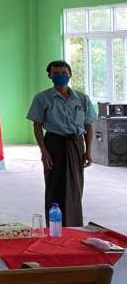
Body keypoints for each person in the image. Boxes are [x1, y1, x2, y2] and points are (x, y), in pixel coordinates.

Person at [26, 60, 95, 227]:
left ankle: (74, 225)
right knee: (55, 185)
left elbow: (88, 125)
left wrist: (88, 151)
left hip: (76, 143)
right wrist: (44, 151)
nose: (60, 76)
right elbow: (37, 125)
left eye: (64, 73)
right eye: (56, 73)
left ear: (70, 74)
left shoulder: (82, 99)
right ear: (49, 76)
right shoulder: (42, 98)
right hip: (54, 144)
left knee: (75, 186)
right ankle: (55, 226)